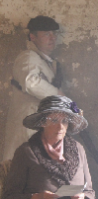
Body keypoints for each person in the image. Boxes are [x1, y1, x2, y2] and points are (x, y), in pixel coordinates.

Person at [3, 95, 95, 199]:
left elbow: (90, 192)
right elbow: (9, 196)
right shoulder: (26, 152)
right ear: (42, 122)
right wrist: (37, 197)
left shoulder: (78, 149)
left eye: (64, 121)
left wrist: (83, 196)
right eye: (54, 120)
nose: (60, 126)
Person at [3, 15, 64, 161]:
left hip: (40, 126)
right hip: (27, 125)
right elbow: (31, 82)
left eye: (53, 34)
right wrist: (58, 96)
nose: (52, 38)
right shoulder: (28, 57)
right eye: (46, 34)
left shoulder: (47, 62)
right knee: (23, 169)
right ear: (33, 37)